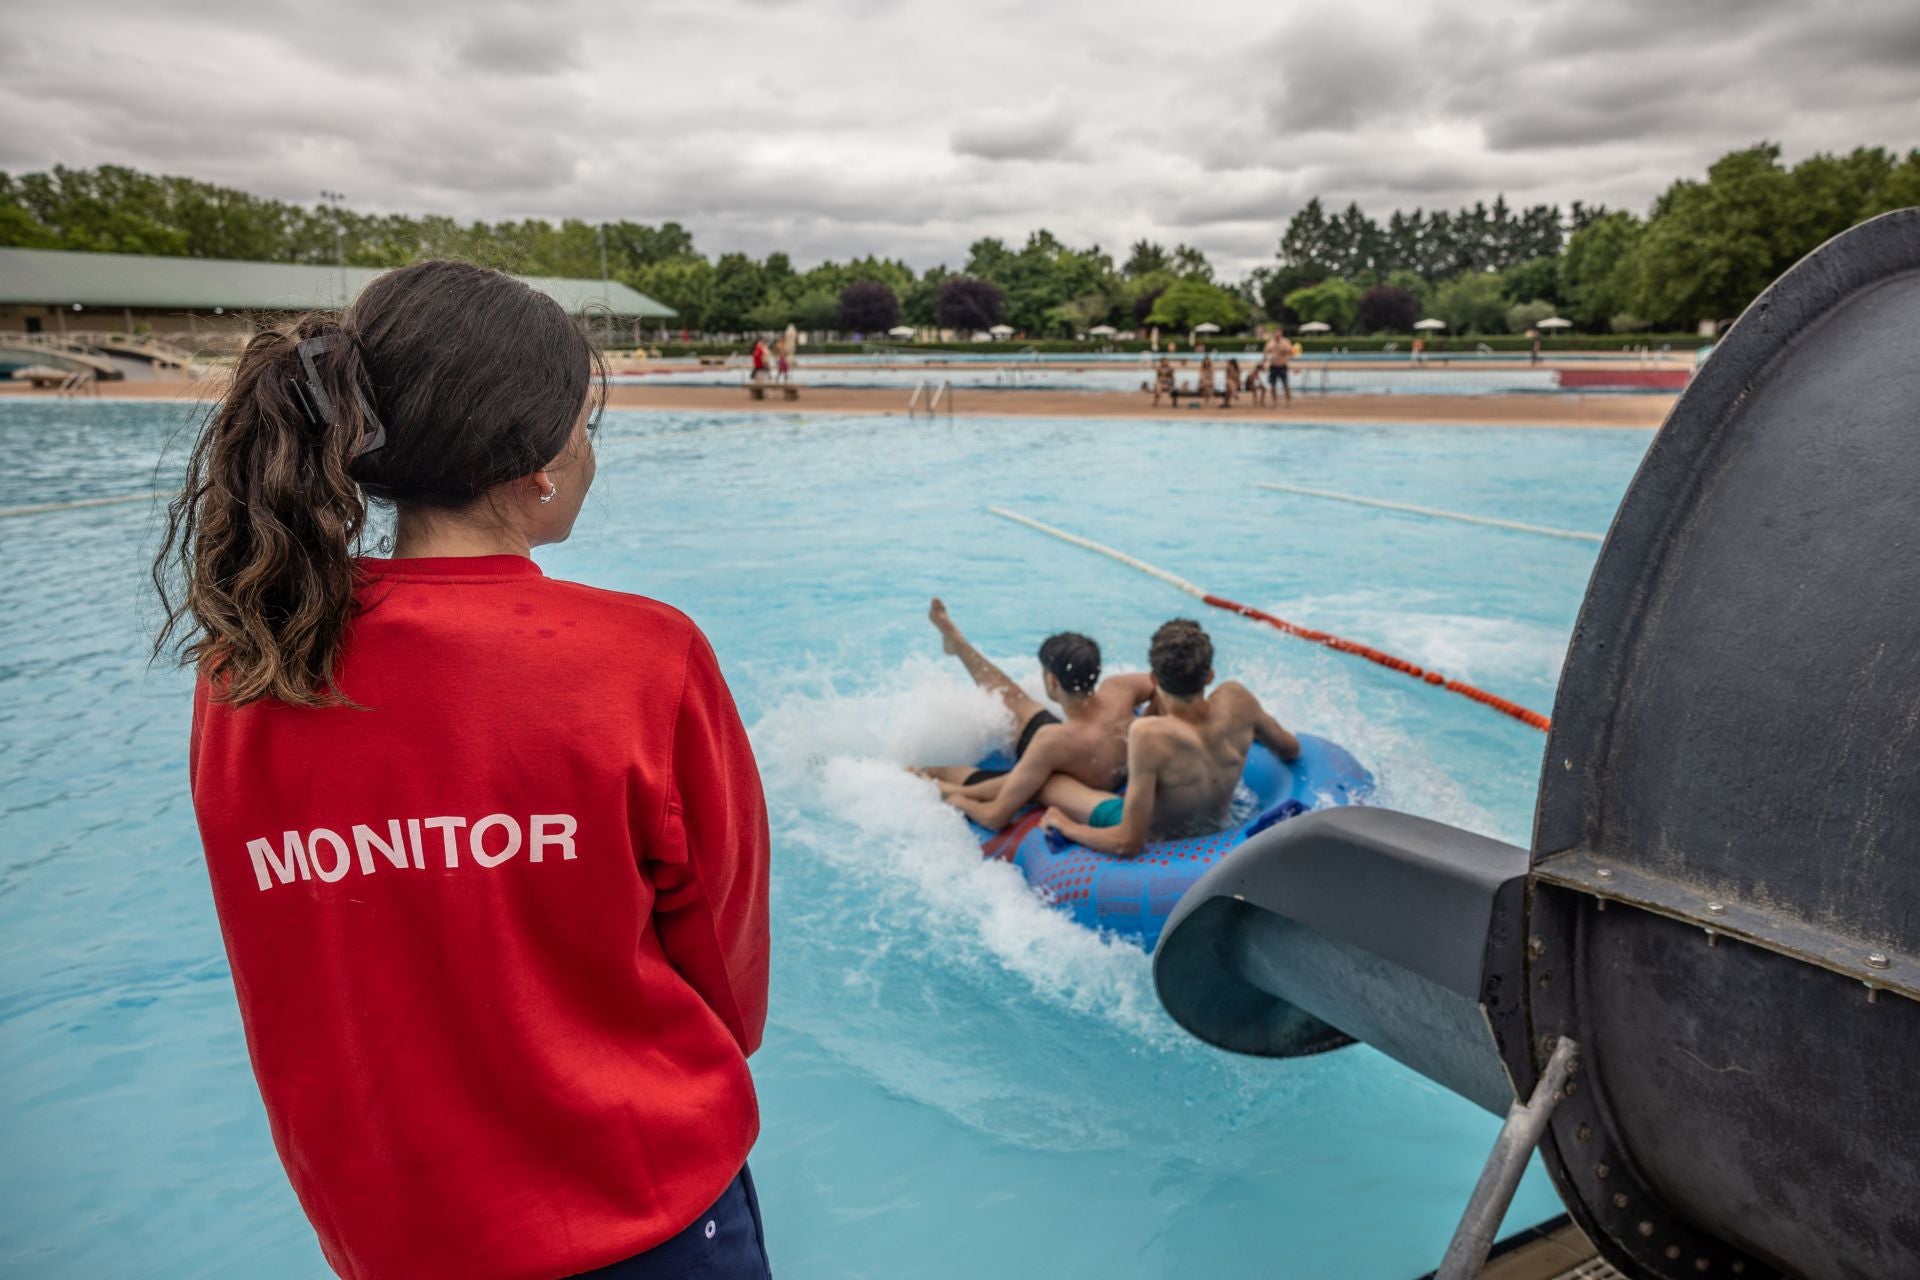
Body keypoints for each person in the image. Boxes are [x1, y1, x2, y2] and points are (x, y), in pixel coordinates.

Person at [155, 261, 773, 1280]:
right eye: (585, 424)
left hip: (392, 1234)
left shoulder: (247, 670)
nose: (586, 452)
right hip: (639, 1209)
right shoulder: (640, 658)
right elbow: (725, 977)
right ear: (536, 457)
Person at [1041, 619, 1300, 856]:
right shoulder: (1237, 699)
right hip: (1223, 826)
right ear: (1209, 675)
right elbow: (1290, 749)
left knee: (1052, 784)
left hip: (1163, 844)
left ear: (1154, 678)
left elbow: (1128, 842)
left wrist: (1066, 826)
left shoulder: (1148, 735)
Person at [915, 600, 1153, 832]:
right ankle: (957, 643)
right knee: (1015, 701)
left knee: (940, 773)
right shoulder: (1121, 689)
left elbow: (995, 817)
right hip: (1086, 755)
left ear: (1052, 681)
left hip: (1067, 779)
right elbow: (1165, 683)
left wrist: (961, 802)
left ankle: (916, 776)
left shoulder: (1051, 740)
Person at [1264, 329, 1295, 405]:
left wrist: (1285, 352)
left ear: (1281, 334)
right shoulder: (1270, 342)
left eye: (1279, 334)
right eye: (1276, 334)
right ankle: (1274, 401)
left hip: (1282, 366)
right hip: (1273, 366)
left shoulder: (1285, 342)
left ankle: (1288, 400)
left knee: (1285, 384)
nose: (1277, 335)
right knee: (1273, 385)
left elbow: (1291, 352)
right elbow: (1265, 352)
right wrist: (1265, 361)